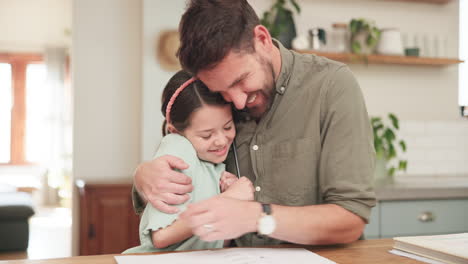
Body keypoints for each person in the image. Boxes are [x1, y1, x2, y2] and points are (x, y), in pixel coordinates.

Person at [133, 0, 376, 246]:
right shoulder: (218, 100)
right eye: (223, 92)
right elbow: (185, 145)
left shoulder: (331, 86)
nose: (237, 103)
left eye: (242, 80)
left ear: (262, 39)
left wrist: (257, 218)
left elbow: (351, 217)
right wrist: (143, 175)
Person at [124, 70, 254, 253]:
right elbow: (161, 236)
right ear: (175, 131)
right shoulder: (177, 149)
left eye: (227, 127)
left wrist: (226, 189)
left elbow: (212, 241)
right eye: (207, 135)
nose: (221, 140)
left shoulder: (209, 162)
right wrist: (227, 199)